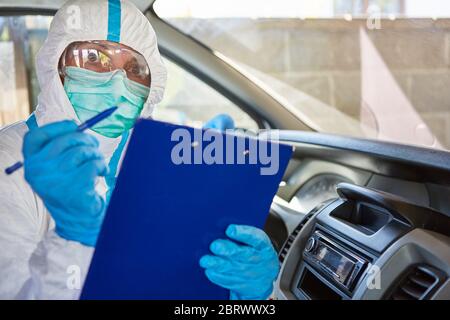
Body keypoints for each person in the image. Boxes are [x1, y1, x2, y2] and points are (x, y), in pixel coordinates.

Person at [0, 0, 279, 300]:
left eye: (135, 68)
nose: (118, 81)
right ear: (58, 66)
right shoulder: (9, 160)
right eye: (95, 57)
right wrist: (75, 235)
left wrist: (256, 296)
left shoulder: (155, 162)